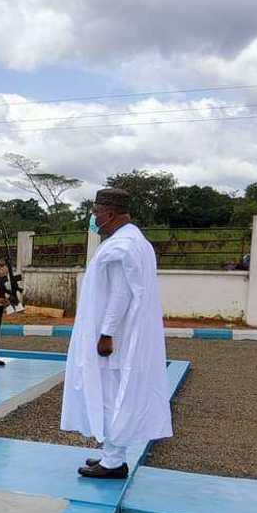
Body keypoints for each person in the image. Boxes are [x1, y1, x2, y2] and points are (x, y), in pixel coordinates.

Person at [61, 187, 172, 479]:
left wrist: (107, 333)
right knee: (114, 392)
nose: (93, 219)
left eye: (96, 213)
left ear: (109, 213)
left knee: (112, 393)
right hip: (123, 334)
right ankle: (111, 454)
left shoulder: (121, 246)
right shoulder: (136, 241)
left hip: (116, 337)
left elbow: (121, 294)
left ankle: (114, 461)